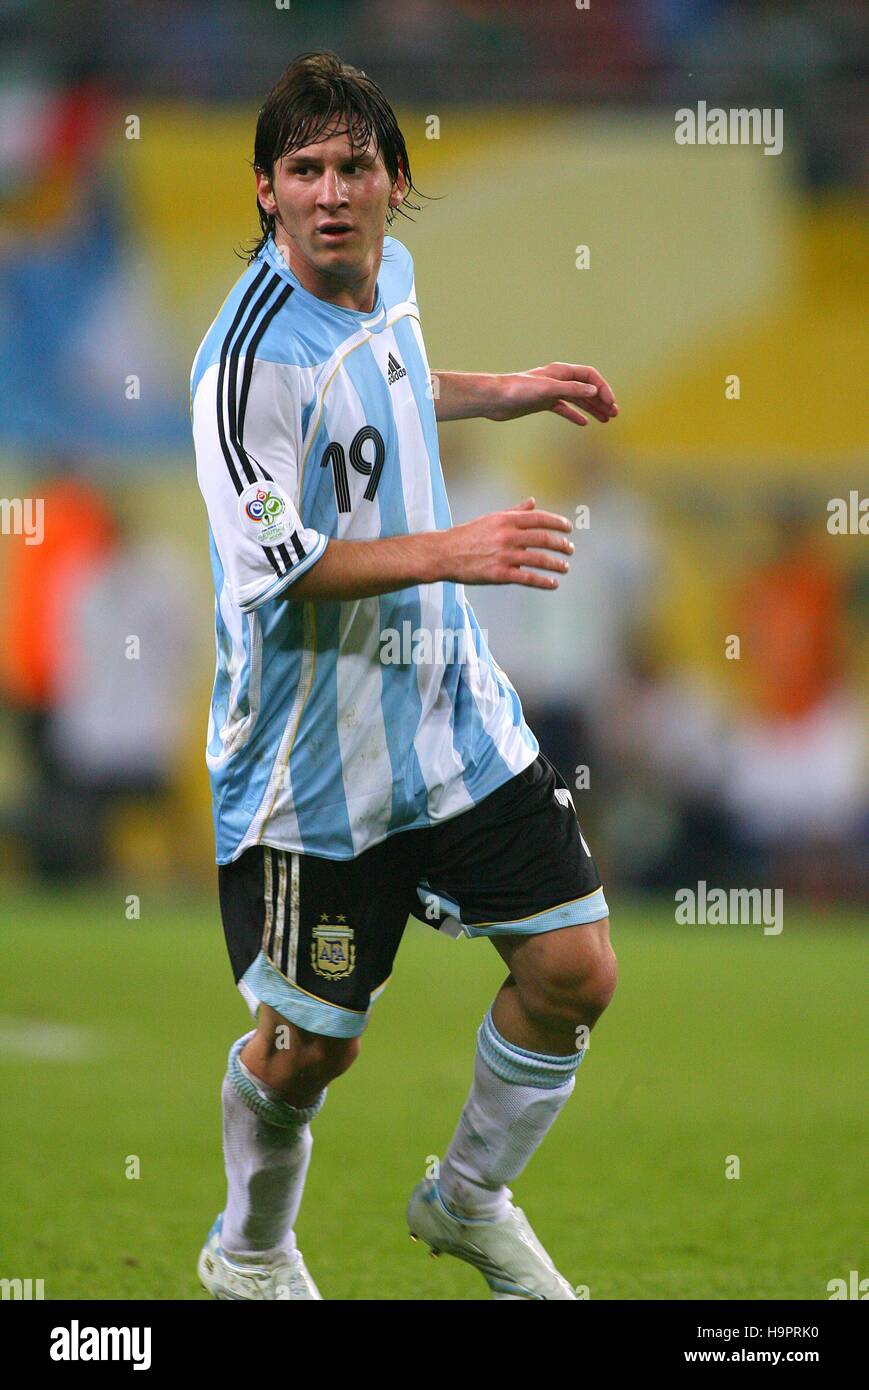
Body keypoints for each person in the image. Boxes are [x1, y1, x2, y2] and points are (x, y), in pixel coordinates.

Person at [190, 50, 618, 1301]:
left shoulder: (393, 281)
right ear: (265, 189)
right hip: (310, 766)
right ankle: (250, 1250)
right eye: (305, 169)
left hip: (449, 715)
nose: (333, 191)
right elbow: (280, 566)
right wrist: (460, 549)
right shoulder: (241, 367)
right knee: (311, 1047)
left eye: (356, 166)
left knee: (573, 970)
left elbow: (383, 393)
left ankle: (468, 1198)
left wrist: (498, 396)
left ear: (393, 183)